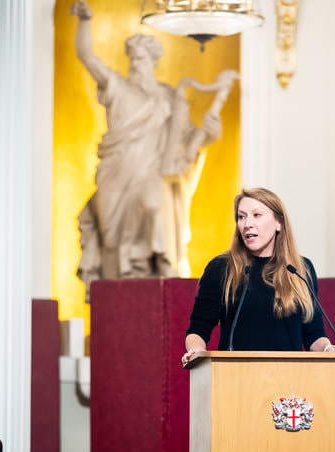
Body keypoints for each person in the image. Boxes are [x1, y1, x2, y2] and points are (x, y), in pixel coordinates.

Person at [70, 1, 235, 301]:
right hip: (116, 170)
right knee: (110, 239)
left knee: (155, 208)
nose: (135, 64)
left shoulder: (169, 97)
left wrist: (209, 135)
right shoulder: (117, 87)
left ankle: (159, 292)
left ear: (153, 61)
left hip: (152, 173)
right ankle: (117, 302)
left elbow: (185, 144)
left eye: (142, 58)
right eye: (132, 58)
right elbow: (86, 56)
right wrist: (85, 21)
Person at [182, 188, 335, 367]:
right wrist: (196, 351)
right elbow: (198, 329)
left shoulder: (300, 269)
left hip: (290, 376)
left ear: (278, 222)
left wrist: (328, 349)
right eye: (241, 217)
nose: (247, 223)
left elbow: (314, 334)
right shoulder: (221, 267)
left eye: (256, 215)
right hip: (234, 375)